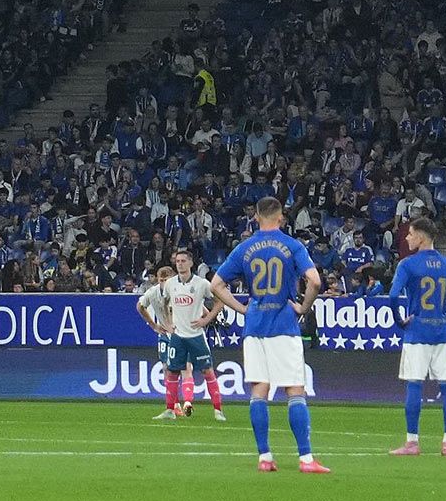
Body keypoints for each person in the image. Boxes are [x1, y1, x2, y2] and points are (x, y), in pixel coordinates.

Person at [210, 196, 329, 473]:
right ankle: (306, 459)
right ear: (281, 218)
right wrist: (303, 307)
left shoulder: (244, 247)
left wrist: (242, 309)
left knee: (259, 391)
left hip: (254, 327)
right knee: (294, 390)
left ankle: (264, 457)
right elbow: (314, 280)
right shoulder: (292, 245)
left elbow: (216, 284)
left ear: (256, 217)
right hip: (283, 325)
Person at [389, 218, 446, 457]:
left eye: (410, 234)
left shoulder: (408, 265)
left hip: (417, 331)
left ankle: (412, 442)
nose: (407, 238)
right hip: (442, 332)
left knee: (414, 384)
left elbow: (392, 295)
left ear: (420, 238)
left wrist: (400, 321)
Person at [162, 248, 227, 421]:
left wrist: (206, 320)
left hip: (196, 336)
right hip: (178, 336)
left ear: (191, 263)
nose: (180, 264)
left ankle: (218, 410)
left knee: (207, 371)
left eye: (183, 261)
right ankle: (170, 410)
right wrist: (168, 323)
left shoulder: (202, 284)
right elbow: (164, 303)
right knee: (172, 372)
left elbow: (220, 301)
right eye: (177, 261)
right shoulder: (170, 284)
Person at [136, 264, 181, 421]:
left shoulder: (181, 290)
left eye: (166, 279)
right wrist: (153, 325)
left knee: (187, 369)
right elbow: (140, 306)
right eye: (161, 279)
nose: (163, 282)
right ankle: (174, 406)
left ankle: (187, 402)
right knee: (167, 369)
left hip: (183, 335)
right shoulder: (153, 292)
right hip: (165, 334)